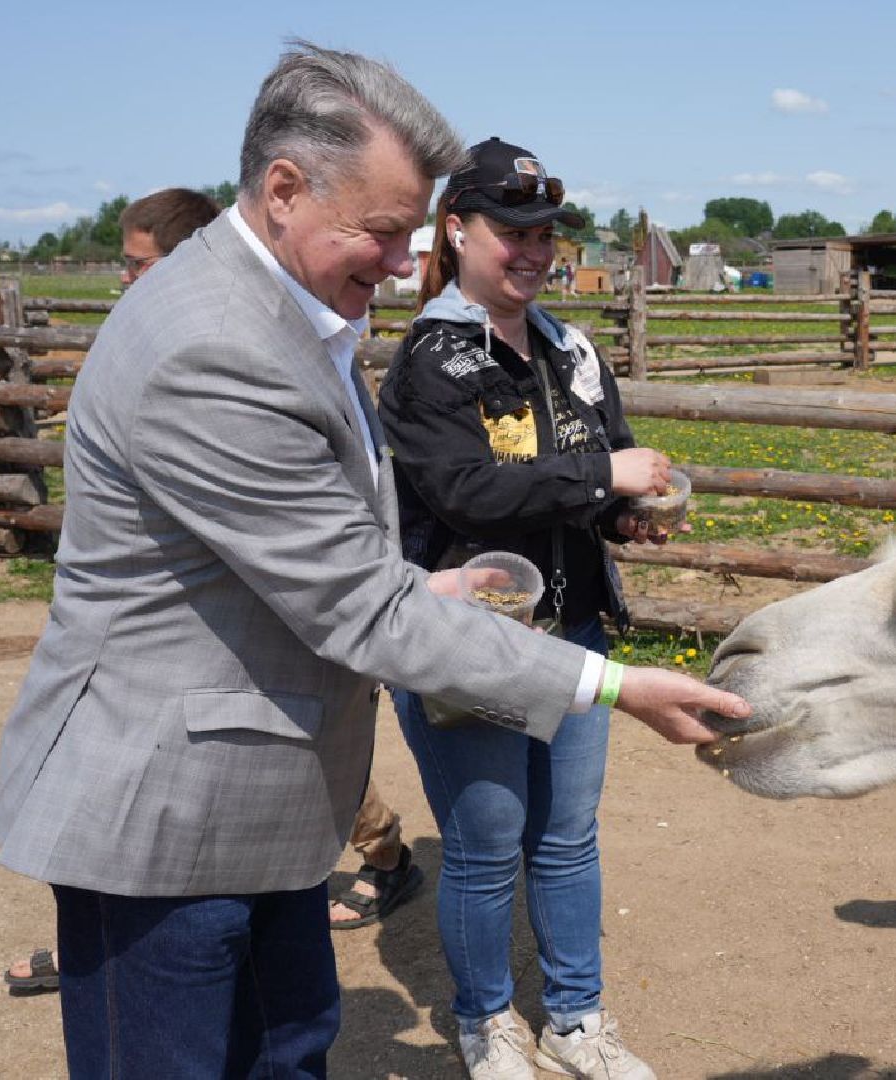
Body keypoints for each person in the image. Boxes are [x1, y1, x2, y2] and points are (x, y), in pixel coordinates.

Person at [0, 42, 746, 1079]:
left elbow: (320, 566)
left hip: (258, 810)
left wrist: (425, 584)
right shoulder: (214, 346)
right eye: (387, 232)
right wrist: (613, 685)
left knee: (290, 1053)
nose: (400, 262)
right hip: (166, 827)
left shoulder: (296, 315)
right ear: (286, 189)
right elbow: (360, 608)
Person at [378, 138, 679, 1080]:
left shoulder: (569, 348)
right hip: (466, 640)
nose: (533, 250)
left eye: (544, 232)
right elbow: (467, 493)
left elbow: (601, 465)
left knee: (565, 835)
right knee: (483, 845)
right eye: (510, 230)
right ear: (456, 230)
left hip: (573, 628)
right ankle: (485, 1020)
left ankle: (576, 1019)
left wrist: (628, 513)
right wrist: (601, 475)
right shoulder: (432, 357)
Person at [3, 186, 223, 998]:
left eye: (138, 265)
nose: (127, 281)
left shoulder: (199, 357)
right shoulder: (148, 347)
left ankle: (381, 850)